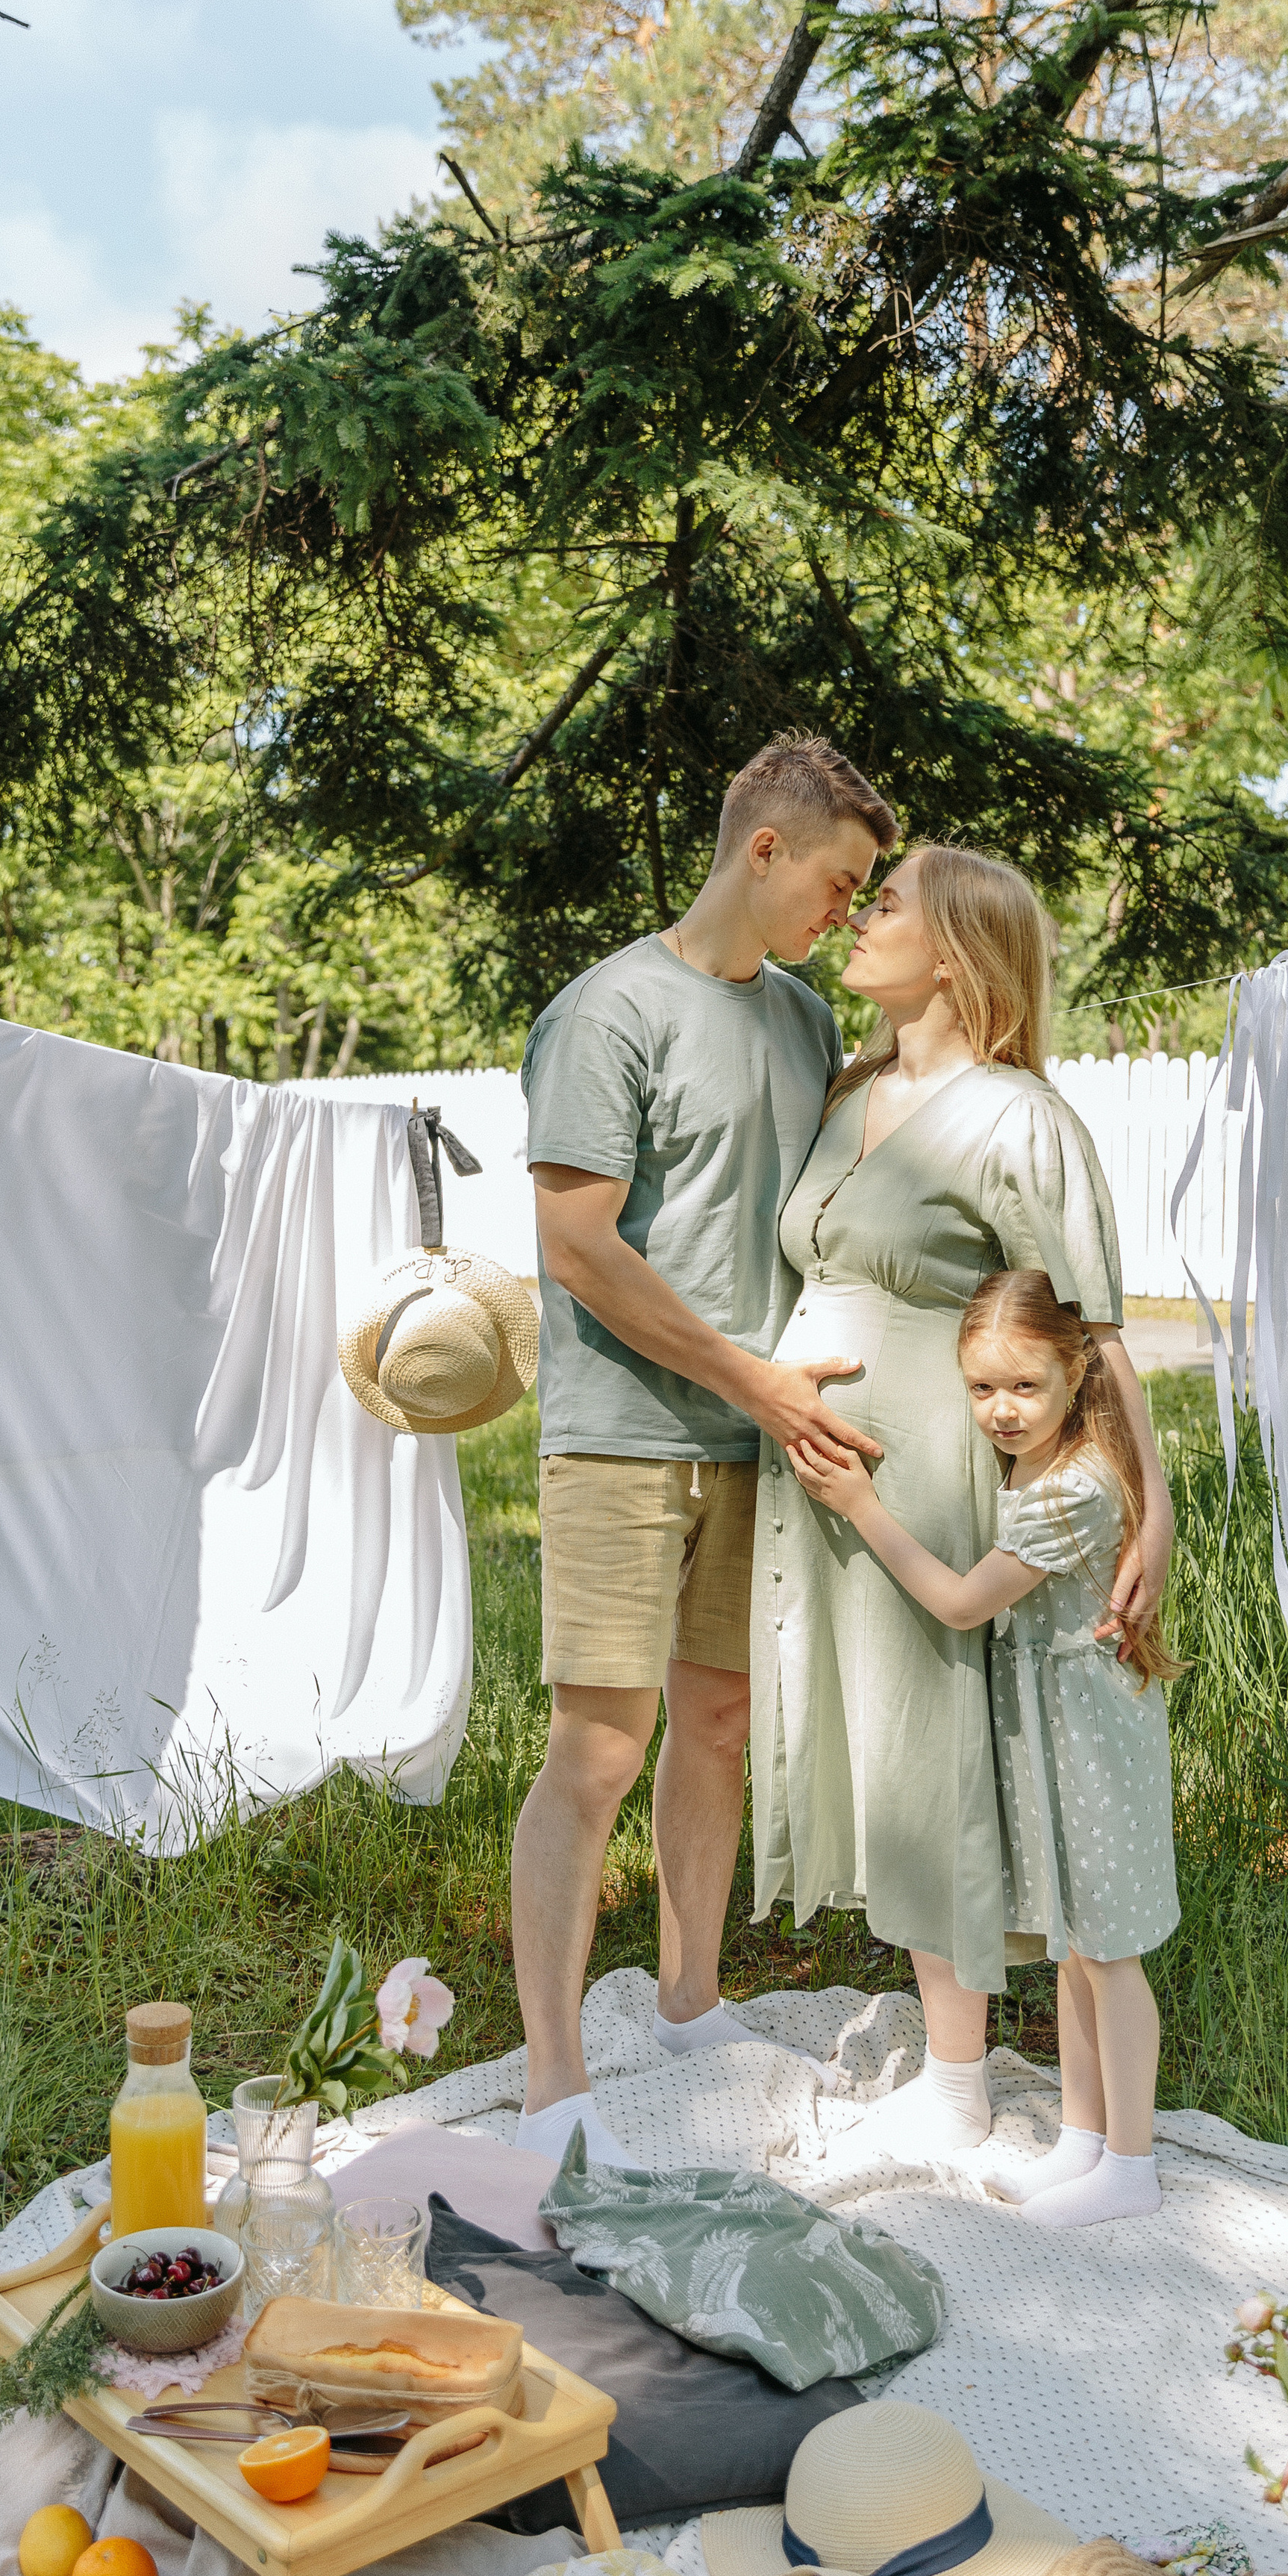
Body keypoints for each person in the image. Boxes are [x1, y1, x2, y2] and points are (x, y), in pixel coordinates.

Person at [748, 841, 1175, 2180]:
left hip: (928, 1465)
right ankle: (947, 2063)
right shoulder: (850, 1089)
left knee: (935, 1754)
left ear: (956, 949)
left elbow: (1093, 1330)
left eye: (884, 906)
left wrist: (1152, 1510)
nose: (857, 921)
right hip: (825, 1468)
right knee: (876, 1748)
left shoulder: (1017, 1117)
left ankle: (956, 2082)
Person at [511, 731, 899, 2165]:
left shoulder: (801, 1021)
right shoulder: (608, 1011)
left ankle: (686, 2002)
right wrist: (756, 1381)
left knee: (721, 1722)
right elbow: (573, 1245)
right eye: (842, 882)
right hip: (623, 1436)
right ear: (765, 850)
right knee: (600, 1747)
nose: (848, 913)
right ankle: (556, 2079)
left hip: (759, 1441)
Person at [790, 1266, 1181, 2227]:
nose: (1001, 1412)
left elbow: (964, 1602)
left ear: (1073, 1372)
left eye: (1023, 1387)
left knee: (1109, 1952)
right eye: (980, 1389)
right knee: (1071, 1948)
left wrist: (861, 1508)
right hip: (1052, 1729)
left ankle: (1131, 2164)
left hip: (1087, 1736)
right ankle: (1083, 2142)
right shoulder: (1054, 1459)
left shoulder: (1073, 1487)